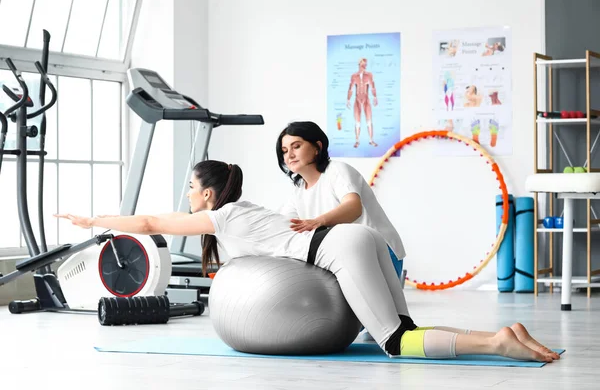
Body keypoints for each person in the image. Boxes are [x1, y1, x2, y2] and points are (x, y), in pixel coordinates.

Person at [56, 160, 559, 363]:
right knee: (404, 326)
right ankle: (506, 335)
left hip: (339, 249)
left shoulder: (222, 217)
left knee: (394, 343)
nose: (186, 195)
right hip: (357, 240)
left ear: (208, 194)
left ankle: (497, 344)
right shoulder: (247, 210)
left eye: (191, 187)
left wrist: (92, 220)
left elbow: (148, 224)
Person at [276, 121, 406, 279]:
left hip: (381, 251)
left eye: (296, 146)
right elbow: (282, 224)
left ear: (317, 147)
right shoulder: (298, 191)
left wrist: (317, 221)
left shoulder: (337, 170)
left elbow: (353, 208)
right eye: (284, 151)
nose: (289, 155)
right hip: (350, 254)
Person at [347, 58, 378, 147]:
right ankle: (357, 140)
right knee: (357, 122)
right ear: (359, 64)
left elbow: (372, 86)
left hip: (366, 99)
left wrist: (375, 97)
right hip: (357, 100)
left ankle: (371, 140)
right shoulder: (354, 76)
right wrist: (348, 99)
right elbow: (351, 88)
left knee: (369, 121)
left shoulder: (369, 75)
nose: (365, 65)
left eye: (366, 64)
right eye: (363, 64)